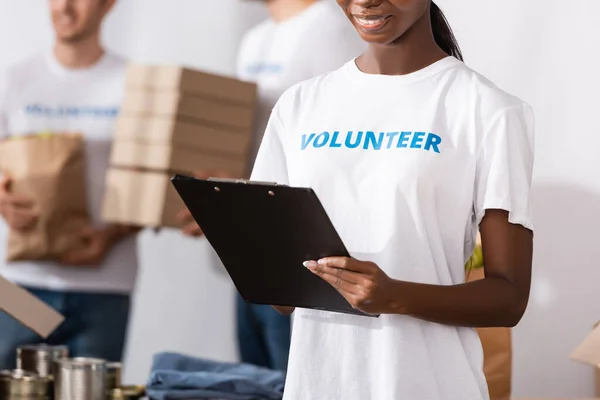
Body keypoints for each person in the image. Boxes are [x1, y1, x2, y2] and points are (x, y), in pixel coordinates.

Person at [249, 0, 535, 399]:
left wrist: (395, 295)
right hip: (318, 384)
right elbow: (280, 294)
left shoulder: (488, 109)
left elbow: (509, 298)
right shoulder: (299, 106)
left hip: (429, 385)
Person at [178, 0, 366, 372]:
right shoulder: (255, 39)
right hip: (251, 250)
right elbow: (252, 147)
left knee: (292, 381)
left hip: (303, 258)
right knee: (256, 384)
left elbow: (345, 150)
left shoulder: (331, 29)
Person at [0, 0, 138, 368]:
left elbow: (154, 184)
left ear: (109, 5)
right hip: (19, 285)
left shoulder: (135, 84)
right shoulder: (14, 79)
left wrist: (112, 235)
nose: (64, 7)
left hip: (105, 284)